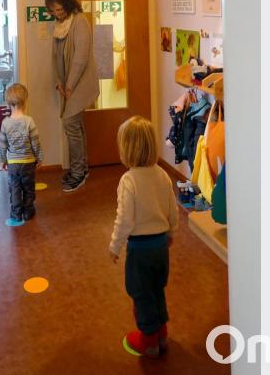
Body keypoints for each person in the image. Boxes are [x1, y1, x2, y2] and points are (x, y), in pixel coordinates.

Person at [108, 116, 178, 359]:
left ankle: (148, 341)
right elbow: (172, 209)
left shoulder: (129, 180)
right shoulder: (162, 175)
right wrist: (170, 233)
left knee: (141, 293)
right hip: (161, 247)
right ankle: (162, 334)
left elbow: (124, 219)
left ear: (126, 149)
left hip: (139, 250)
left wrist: (115, 246)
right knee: (157, 289)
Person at [45, 0, 99, 192]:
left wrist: (70, 85)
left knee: (70, 125)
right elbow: (56, 55)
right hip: (67, 84)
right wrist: (59, 80)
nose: (57, 14)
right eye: (53, 11)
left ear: (67, 4)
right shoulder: (59, 24)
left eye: (59, 10)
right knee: (75, 126)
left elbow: (81, 58)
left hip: (79, 84)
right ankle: (82, 168)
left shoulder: (80, 21)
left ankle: (78, 173)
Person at [0, 83, 43, 225]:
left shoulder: (5, 123)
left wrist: (2, 160)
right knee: (28, 188)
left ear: (8, 102)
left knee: (15, 188)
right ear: (25, 101)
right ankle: (28, 211)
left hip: (13, 164)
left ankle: (16, 213)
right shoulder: (29, 121)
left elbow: (2, 145)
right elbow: (36, 143)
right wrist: (39, 158)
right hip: (28, 163)